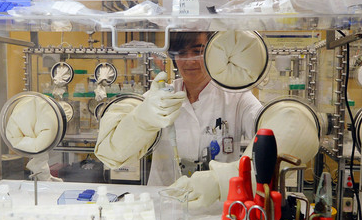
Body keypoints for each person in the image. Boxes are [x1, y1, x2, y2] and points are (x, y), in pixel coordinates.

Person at [95, 32, 263, 200]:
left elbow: (269, 135)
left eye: (198, 51)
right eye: (182, 53)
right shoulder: (160, 97)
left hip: (217, 209)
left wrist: (219, 180)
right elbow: (110, 155)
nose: (189, 61)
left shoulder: (237, 97)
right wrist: (142, 118)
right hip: (164, 205)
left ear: (213, 52)